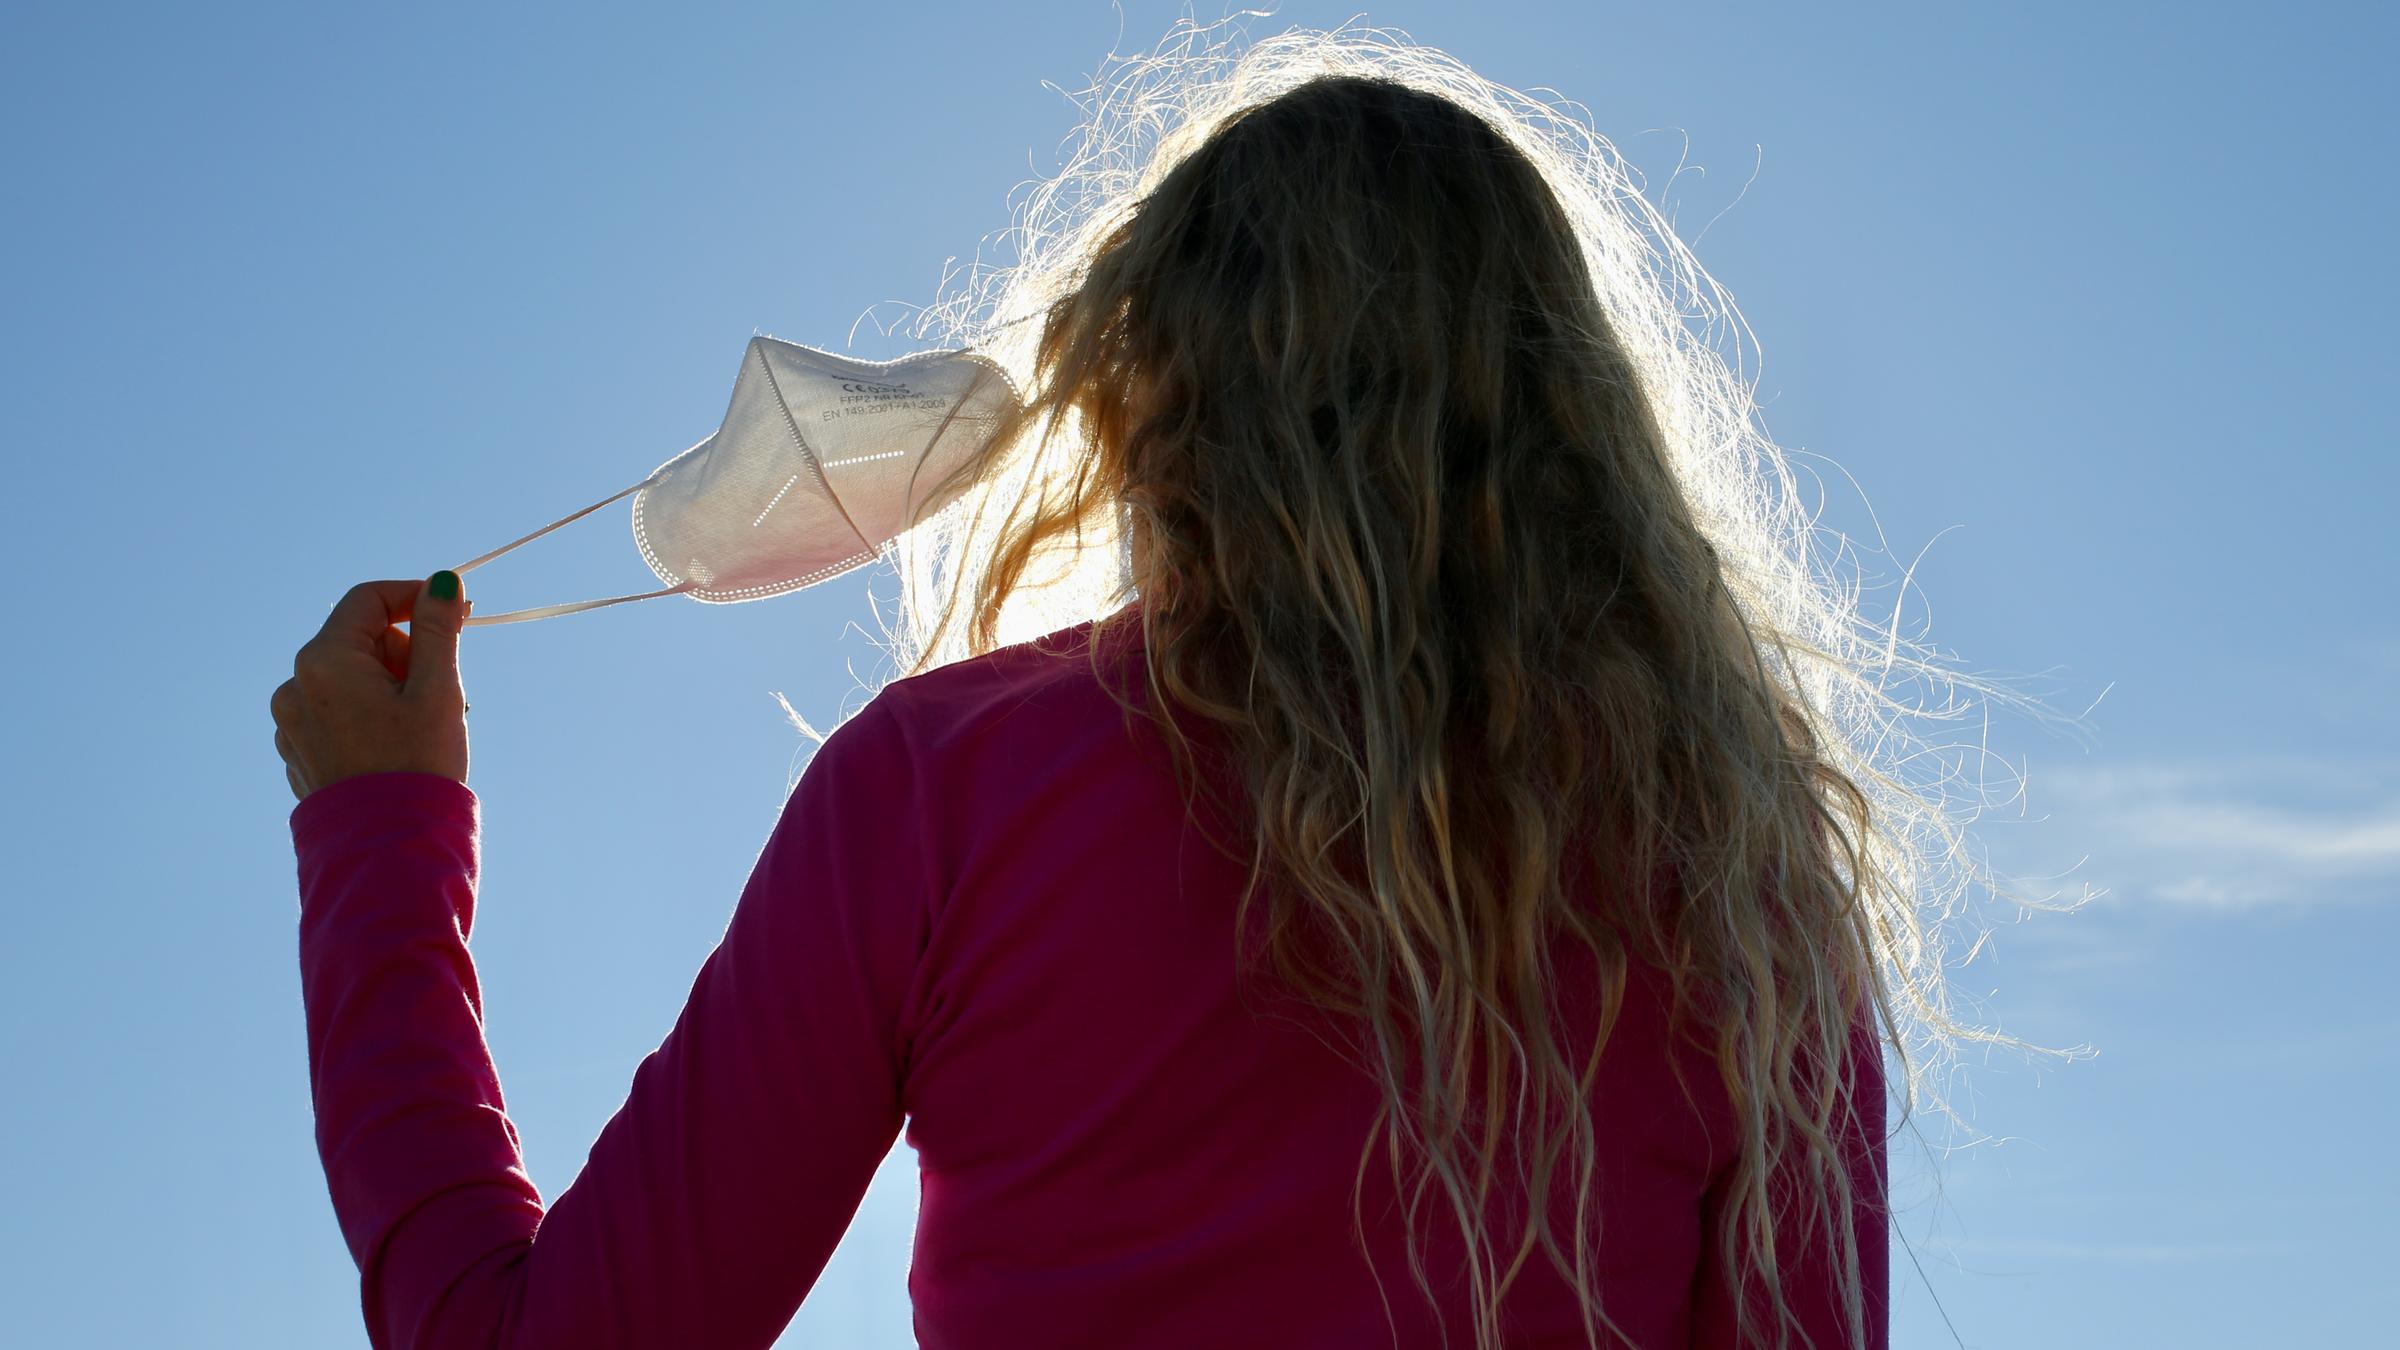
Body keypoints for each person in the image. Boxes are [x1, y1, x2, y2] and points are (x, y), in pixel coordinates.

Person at [273, 29, 1915, 1350]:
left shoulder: (948, 788)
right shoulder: (1748, 902)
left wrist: (377, 831)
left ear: (1143, 390)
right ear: (1576, 431)